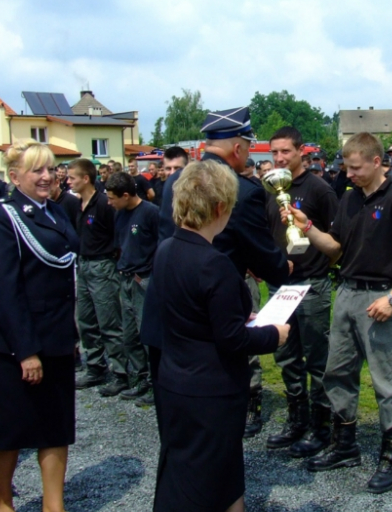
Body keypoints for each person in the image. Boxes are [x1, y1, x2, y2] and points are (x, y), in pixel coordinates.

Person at [147, 160, 289, 512]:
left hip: (177, 381)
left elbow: (194, 315)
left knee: (227, 477)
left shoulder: (166, 250)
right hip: (209, 394)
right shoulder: (216, 264)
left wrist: (237, 317)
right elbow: (234, 341)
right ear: (221, 208)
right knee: (193, 505)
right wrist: (274, 334)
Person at [287, 132, 392, 494]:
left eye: (354, 168)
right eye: (345, 167)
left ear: (376, 162)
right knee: (337, 373)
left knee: (387, 380)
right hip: (347, 294)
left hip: (380, 299)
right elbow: (335, 249)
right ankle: (345, 444)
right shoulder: (349, 199)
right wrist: (306, 226)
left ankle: (391, 456)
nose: (347, 174)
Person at [0, 140, 100, 512]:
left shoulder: (56, 212)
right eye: (37, 171)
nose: (48, 177)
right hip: (16, 345)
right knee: (9, 430)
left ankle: (54, 508)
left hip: (57, 339)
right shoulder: (4, 216)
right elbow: (2, 289)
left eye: (51, 169)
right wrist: (26, 351)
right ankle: (3, 502)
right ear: (15, 177)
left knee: (55, 427)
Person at [153, 107, 289, 444]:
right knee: (215, 434)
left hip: (170, 308)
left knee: (178, 431)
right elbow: (262, 253)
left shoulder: (174, 180)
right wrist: (283, 266)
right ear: (239, 148)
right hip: (215, 313)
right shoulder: (241, 189)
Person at [264, 126, 339, 458]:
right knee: (286, 355)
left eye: (285, 152)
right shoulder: (270, 187)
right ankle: (297, 419)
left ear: (301, 152)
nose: (279, 158)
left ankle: (321, 426)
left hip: (312, 285)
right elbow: (269, 234)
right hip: (278, 286)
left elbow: (336, 243)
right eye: (274, 152)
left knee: (316, 358)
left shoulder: (320, 190)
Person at [68, 159, 128, 395]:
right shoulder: (77, 204)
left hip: (102, 267)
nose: (67, 181)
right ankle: (95, 366)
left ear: (85, 179)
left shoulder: (104, 203)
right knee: (85, 320)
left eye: (72, 177)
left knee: (109, 321)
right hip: (83, 266)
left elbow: (118, 235)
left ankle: (121, 372)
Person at [105, 172, 159, 400]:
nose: (109, 203)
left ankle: (158, 382)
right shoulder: (119, 215)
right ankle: (142, 377)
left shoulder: (150, 213)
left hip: (143, 280)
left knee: (147, 332)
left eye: (112, 198)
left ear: (126, 195)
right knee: (130, 335)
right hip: (124, 279)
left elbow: (162, 245)